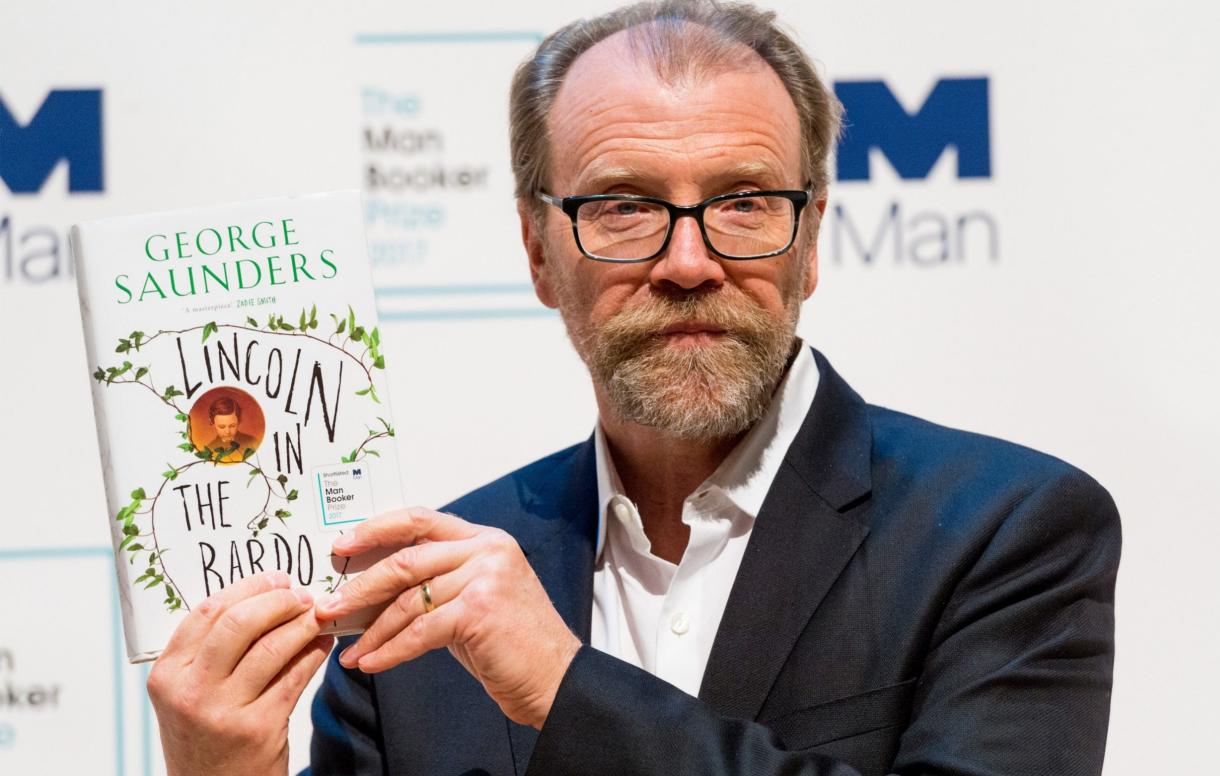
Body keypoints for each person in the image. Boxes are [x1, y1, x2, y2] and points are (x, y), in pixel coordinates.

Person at [145, 2, 1122, 774]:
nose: (689, 260)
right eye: (623, 205)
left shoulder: (1004, 532)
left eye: (743, 202)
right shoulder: (416, 612)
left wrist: (565, 688)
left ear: (813, 238)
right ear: (538, 252)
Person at [198, 394, 259, 463]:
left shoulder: (253, 443)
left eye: (232, 426)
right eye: (222, 427)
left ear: (239, 420)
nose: (227, 431)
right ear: (212, 422)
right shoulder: (209, 450)